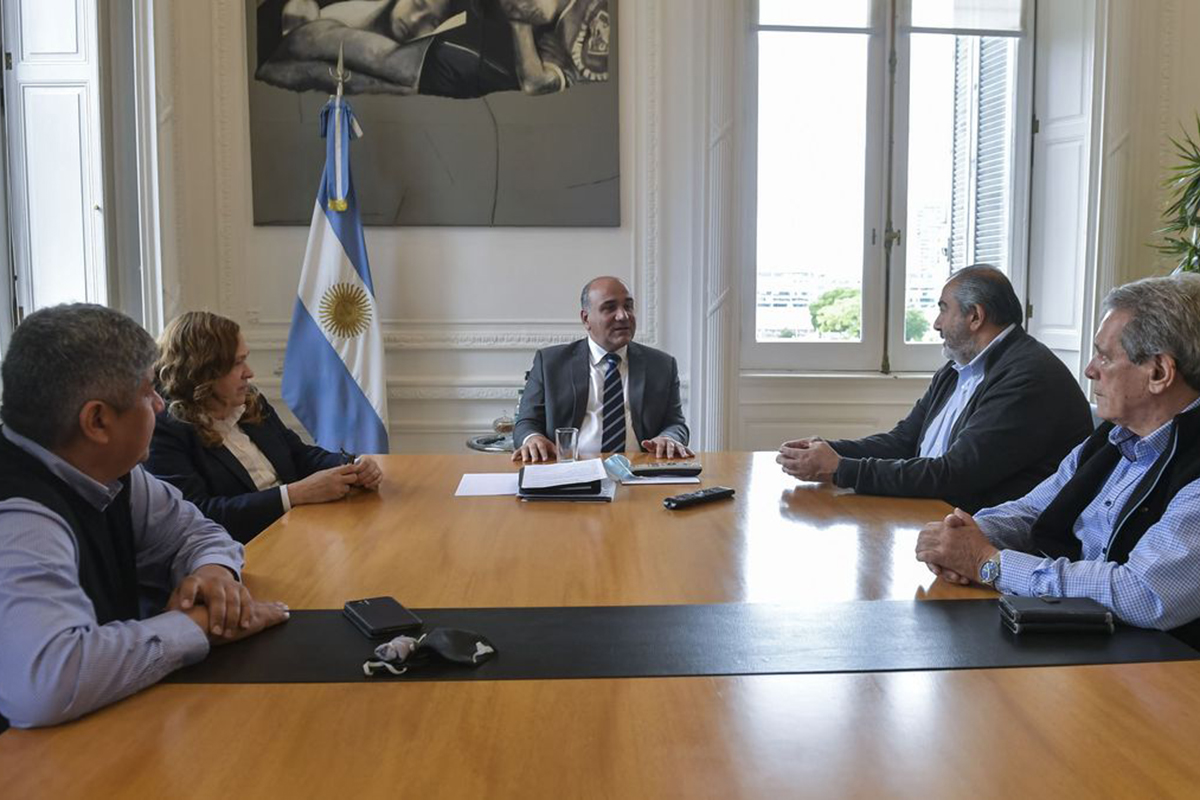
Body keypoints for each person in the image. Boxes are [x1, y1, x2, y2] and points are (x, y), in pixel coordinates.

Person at [0, 305, 289, 729]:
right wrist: (197, 625)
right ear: (97, 421)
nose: (159, 405)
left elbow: (198, 531)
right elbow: (47, 685)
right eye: (148, 391)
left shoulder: (110, 471)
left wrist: (214, 576)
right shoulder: (20, 517)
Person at [915, 274, 1200, 643]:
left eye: (1105, 356)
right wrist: (963, 537)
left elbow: (1143, 593)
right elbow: (1031, 510)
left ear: (1158, 372)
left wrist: (990, 564)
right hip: (1084, 639)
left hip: (1164, 670)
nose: (1090, 369)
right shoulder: (1112, 439)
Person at [776, 265, 1093, 512]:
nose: (936, 323)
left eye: (943, 308)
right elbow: (904, 441)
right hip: (936, 512)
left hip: (990, 535)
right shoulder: (958, 369)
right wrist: (829, 451)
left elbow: (956, 476)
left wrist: (842, 469)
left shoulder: (1028, 377)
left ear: (975, 316)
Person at [147, 312, 383, 544]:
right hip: (244, 549)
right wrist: (293, 494)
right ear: (202, 370)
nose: (249, 372)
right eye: (237, 363)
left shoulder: (250, 401)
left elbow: (297, 454)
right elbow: (198, 514)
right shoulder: (165, 430)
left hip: (301, 528)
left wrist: (350, 467)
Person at [513, 276, 691, 462]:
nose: (623, 316)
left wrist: (668, 438)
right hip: (570, 470)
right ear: (586, 318)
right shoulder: (551, 363)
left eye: (628, 306)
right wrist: (533, 438)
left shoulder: (661, 365)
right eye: (610, 308)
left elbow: (675, 423)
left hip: (639, 470)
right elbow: (526, 422)